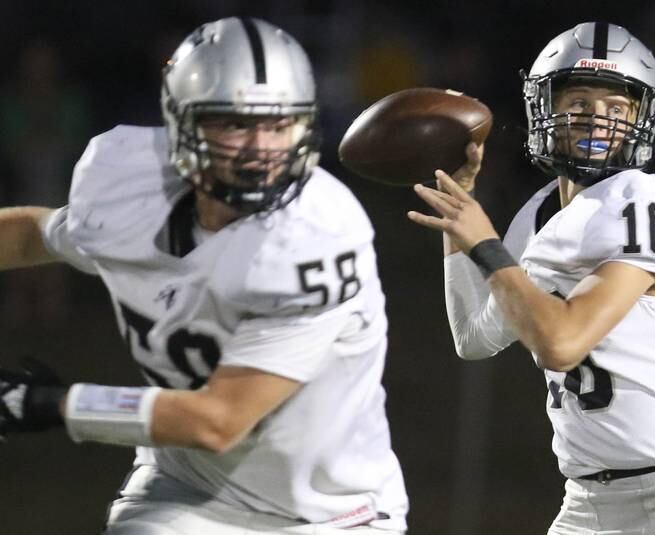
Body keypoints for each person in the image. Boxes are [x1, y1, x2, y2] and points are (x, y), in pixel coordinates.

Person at [0, 17, 408, 535]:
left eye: (279, 124)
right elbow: (32, 236)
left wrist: (49, 404)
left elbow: (220, 420)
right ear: (182, 122)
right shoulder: (126, 182)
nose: (261, 148)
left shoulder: (318, 233)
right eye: (235, 123)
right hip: (184, 492)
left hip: (332, 514)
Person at [407, 21, 655, 534]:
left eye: (617, 109)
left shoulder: (645, 201)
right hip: (587, 503)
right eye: (577, 104)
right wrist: (459, 215)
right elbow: (473, 336)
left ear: (642, 119)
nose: (598, 120)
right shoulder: (537, 216)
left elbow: (562, 342)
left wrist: (485, 244)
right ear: (544, 111)